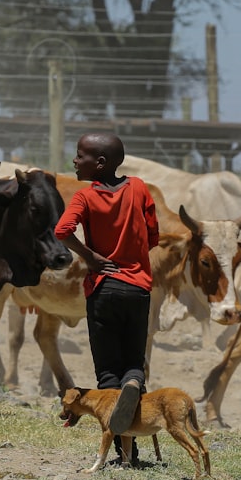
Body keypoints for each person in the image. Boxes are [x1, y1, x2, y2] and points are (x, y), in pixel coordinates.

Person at [54, 132, 159, 463]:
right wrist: (133, 256)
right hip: (138, 289)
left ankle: (126, 454)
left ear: (99, 163)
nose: (74, 160)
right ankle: (134, 383)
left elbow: (61, 231)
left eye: (79, 155)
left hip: (102, 289)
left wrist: (91, 258)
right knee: (133, 364)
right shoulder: (140, 188)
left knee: (107, 375)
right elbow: (153, 236)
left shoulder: (84, 198)